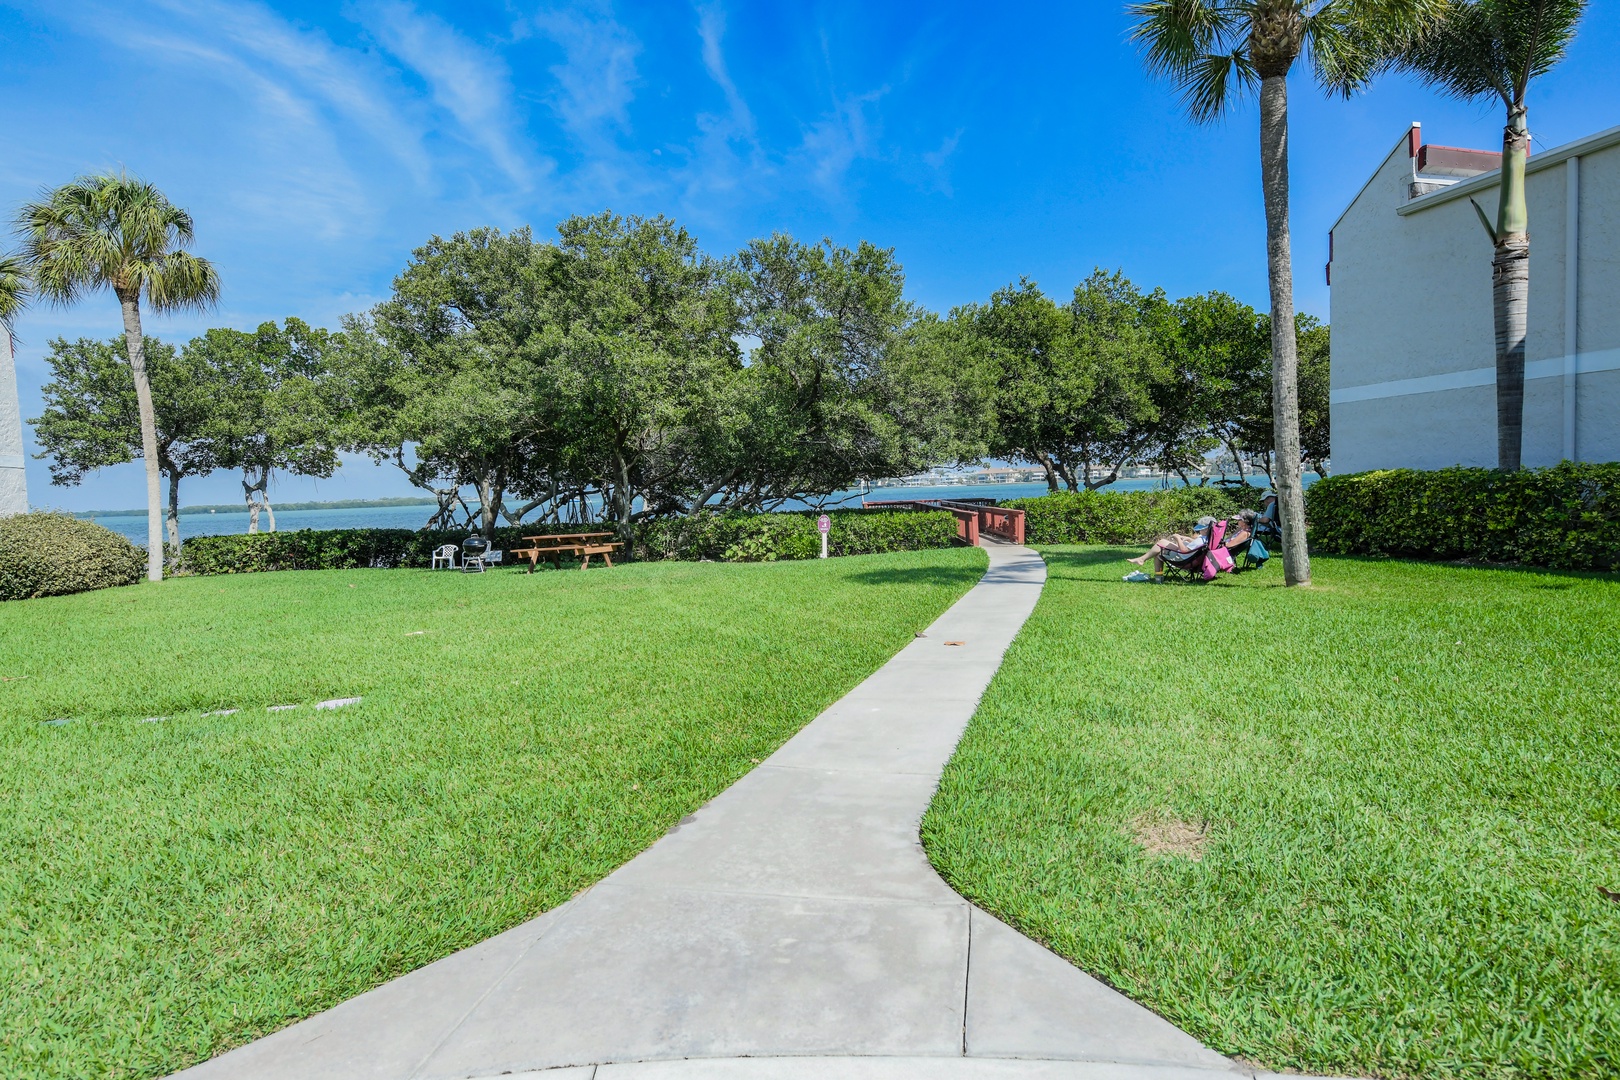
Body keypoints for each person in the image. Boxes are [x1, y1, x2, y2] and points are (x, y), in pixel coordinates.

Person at [1123, 517, 1214, 581]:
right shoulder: (1208, 539)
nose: (1199, 531)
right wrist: (1187, 539)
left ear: (1206, 530)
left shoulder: (1200, 540)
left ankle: (1145, 563)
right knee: (1161, 547)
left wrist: (1177, 538)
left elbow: (1184, 550)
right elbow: (1196, 544)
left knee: (1160, 549)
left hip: (1183, 559)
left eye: (1201, 529)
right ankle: (1143, 561)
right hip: (1192, 557)